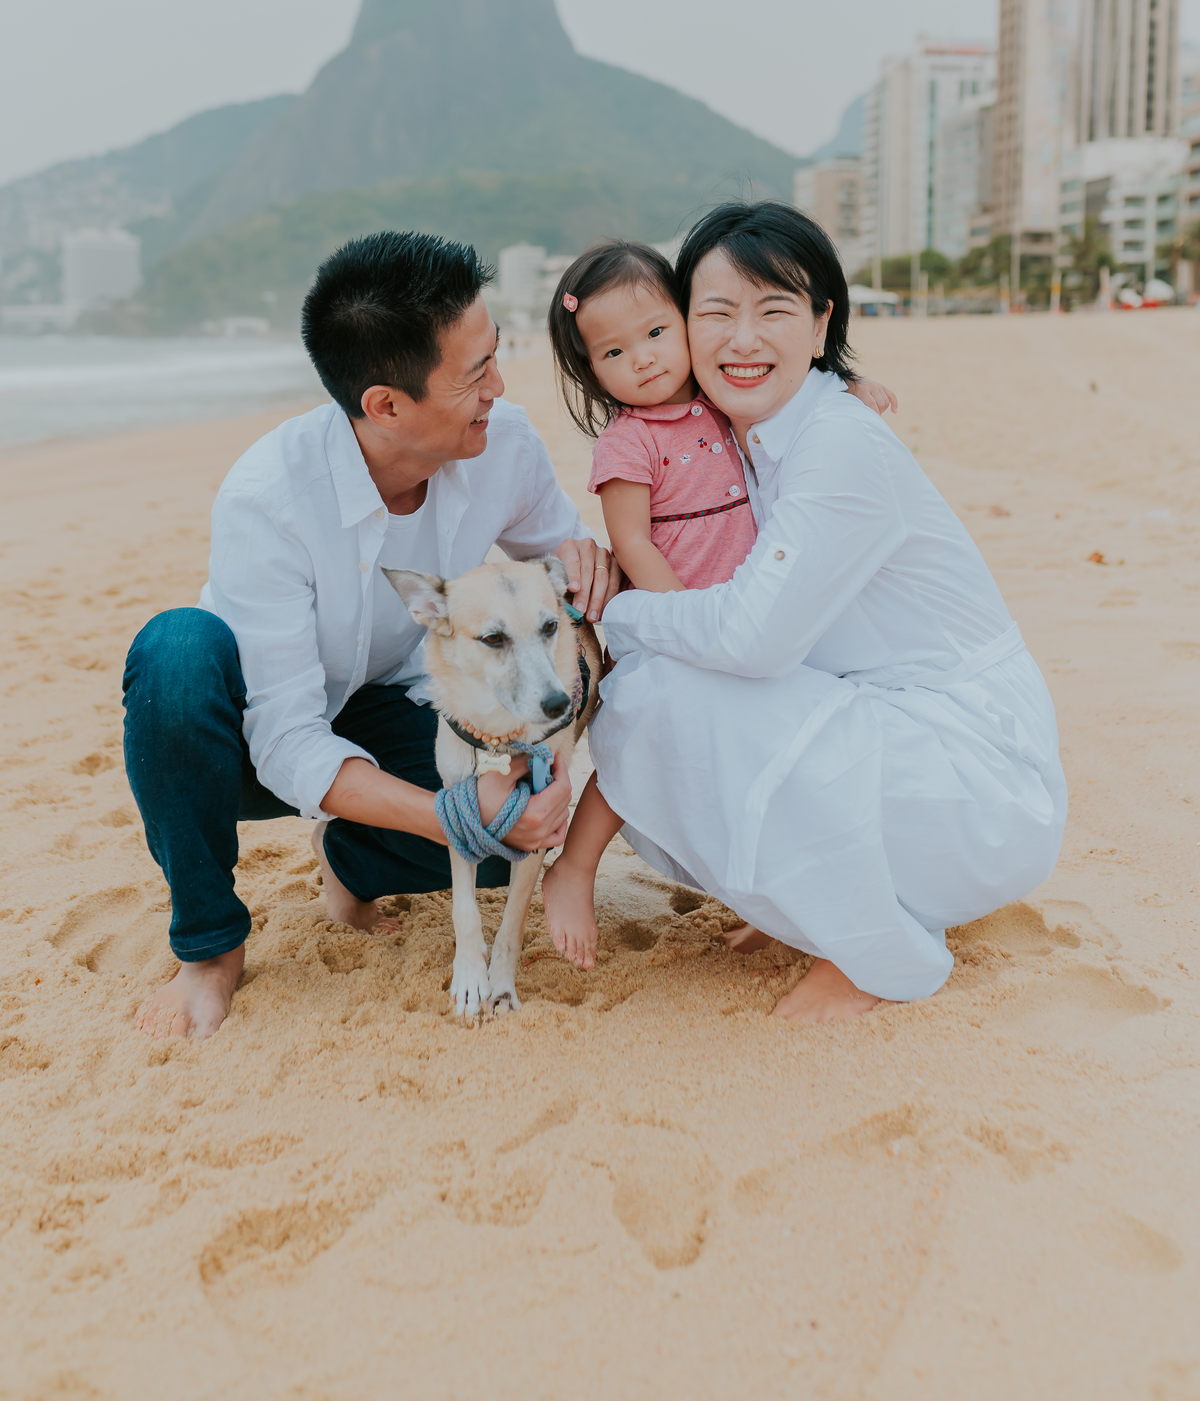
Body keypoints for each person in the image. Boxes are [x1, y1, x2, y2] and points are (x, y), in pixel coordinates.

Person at [122, 230, 620, 1041]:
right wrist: (454, 810)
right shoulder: (268, 496)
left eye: (496, 355)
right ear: (387, 404)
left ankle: (348, 859)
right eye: (475, 373)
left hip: (392, 706)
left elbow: (567, 583)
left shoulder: (505, 445)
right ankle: (210, 948)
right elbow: (286, 740)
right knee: (176, 652)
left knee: (501, 851)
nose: (499, 385)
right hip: (243, 739)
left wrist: (579, 646)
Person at [587, 200, 1068, 1022]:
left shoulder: (837, 441)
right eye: (717, 313)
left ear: (820, 326)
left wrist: (624, 620)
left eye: (775, 310)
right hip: (914, 753)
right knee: (676, 689)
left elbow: (752, 639)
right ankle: (808, 908)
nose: (743, 339)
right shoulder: (753, 436)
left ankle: (872, 951)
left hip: (976, 784)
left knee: (659, 688)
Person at [537, 237, 896, 967]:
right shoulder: (628, 442)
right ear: (590, 371)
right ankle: (572, 866)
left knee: (750, 762)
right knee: (644, 737)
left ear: (683, 320)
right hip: (676, 622)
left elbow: (794, 408)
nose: (641, 358)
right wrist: (683, 621)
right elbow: (631, 542)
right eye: (612, 353)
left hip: (746, 615)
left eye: (656, 333)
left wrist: (848, 390)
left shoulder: (717, 401)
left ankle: (766, 898)